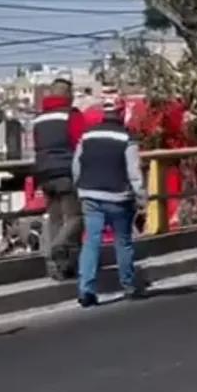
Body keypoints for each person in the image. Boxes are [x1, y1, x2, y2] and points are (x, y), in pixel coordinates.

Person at [71, 99, 147, 305]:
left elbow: (76, 166)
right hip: (118, 197)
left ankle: (86, 290)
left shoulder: (87, 135)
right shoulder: (126, 138)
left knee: (91, 242)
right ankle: (129, 286)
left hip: (90, 195)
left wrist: (81, 187)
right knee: (122, 241)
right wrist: (141, 199)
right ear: (121, 115)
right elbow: (134, 173)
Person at [31, 78, 86, 280]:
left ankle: (59, 268)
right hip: (67, 172)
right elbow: (82, 143)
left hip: (44, 174)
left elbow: (37, 146)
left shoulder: (38, 119)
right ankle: (57, 247)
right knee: (76, 218)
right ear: (67, 95)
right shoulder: (71, 116)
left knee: (54, 220)